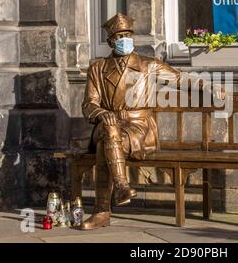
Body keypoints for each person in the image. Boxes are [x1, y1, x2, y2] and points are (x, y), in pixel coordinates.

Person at [81, 13, 223, 230]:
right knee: (109, 129)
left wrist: (210, 86)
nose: (124, 39)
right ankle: (120, 186)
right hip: (108, 124)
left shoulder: (149, 66)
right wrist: (101, 113)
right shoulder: (97, 69)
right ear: (110, 41)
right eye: (119, 36)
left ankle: (102, 211)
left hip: (139, 127)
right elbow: (88, 104)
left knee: (104, 146)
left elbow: (180, 79)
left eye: (128, 34)